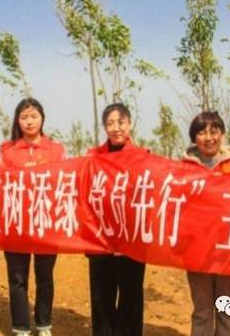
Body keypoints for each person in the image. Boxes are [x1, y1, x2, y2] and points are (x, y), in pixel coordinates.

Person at [0, 98, 65, 336]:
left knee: (45, 276)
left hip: (46, 222)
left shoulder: (56, 149)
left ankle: (43, 323)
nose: (29, 121)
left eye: (34, 116)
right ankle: (20, 327)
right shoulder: (7, 151)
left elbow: (62, 182)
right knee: (17, 277)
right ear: (18, 120)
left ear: (42, 118)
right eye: (24, 117)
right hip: (16, 222)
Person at [87, 103, 149, 336]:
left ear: (129, 124)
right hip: (100, 239)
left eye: (120, 122)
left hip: (131, 239)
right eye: (110, 123)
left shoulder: (143, 157)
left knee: (131, 294)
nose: (116, 128)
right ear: (104, 127)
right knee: (101, 296)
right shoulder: (93, 157)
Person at [183, 111, 230, 336]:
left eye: (214, 131)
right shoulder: (184, 168)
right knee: (202, 308)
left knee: (226, 307)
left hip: (228, 250)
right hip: (196, 250)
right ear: (194, 138)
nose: (208, 137)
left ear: (223, 134)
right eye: (201, 132)